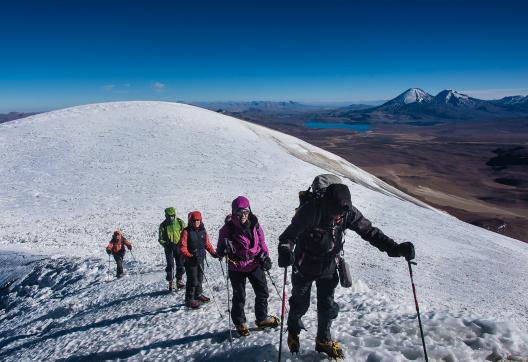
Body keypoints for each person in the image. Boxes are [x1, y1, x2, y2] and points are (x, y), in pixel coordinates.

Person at [278, 182, 415, 359]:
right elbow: (288, 236)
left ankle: (323, 341)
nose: (339, 218)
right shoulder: (311, 211)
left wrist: (394, 248)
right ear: (327, 207)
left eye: (342, 214)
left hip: (328, 266)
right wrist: (285, 250)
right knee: (300, 304)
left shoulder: (347, 212)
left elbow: (369, 232)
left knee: (327, 306)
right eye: (336, 214)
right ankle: (293, 331)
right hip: (304, 265)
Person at [216, 196, 278, 336]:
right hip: (236, 267)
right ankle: (240, 323)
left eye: (245, 212)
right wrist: (223, 250)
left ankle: (262, 319)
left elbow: (261, 242)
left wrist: (265, 257)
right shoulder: (227, 229)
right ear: (233, 212)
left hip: (254, 263)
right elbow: (219, 250)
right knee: (239, 296)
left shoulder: (255, 224)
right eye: (239, 212)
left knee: (262, 292)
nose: (243, 215)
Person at [179, 211, 219, 309]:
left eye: (198, 220)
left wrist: (214, 253)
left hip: (200, 258)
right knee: (192, 280)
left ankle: (198, 295)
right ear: (190, 220)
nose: (197, 222)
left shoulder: (203, 230)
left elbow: (207, 244)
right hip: (190, 260)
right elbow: (182, 247)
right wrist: (190, 256)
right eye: (194, 220)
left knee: (200, 278)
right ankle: (189, 300)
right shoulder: (186, 231)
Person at [159, 207, 186, 291]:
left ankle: (179, 280)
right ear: (165, 216)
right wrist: (166, 244)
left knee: (180, 263)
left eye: (172, 216)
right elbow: (160, 239)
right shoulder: (163, 225)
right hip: (169, 248)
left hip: (178, 246)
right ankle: (171, 281)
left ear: (174, 215)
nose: (170, 218)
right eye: (168, 216)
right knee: (170, 265)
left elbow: (185, 233)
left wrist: (183, 243)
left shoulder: (180, 222)